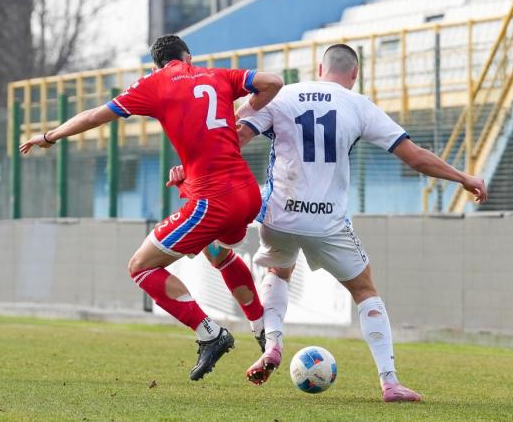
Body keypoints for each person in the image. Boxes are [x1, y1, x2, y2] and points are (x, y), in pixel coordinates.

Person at [172, 44, 487, 402]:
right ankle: (390, 382)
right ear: (354, 74)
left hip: (280, 214)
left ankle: (272, 345)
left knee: (278, 273)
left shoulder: (281, 95)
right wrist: (464, 178)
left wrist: (191, 173)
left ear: (319, 67)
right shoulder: (358, 104)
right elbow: (415, 157)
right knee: (365, 290)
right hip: (328, 222)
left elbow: (232, 140)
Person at [20, 34, 283, 380]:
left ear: (158, 65)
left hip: (214, 201)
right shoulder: (217, 76)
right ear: (188, 57)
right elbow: (273, 82)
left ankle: (210, 334)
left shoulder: (154, 83)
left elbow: (94, 116)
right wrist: (241, 116)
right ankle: (262, 327)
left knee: (140, 266)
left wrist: (50, 136)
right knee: (215, 251)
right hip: (247, 194)